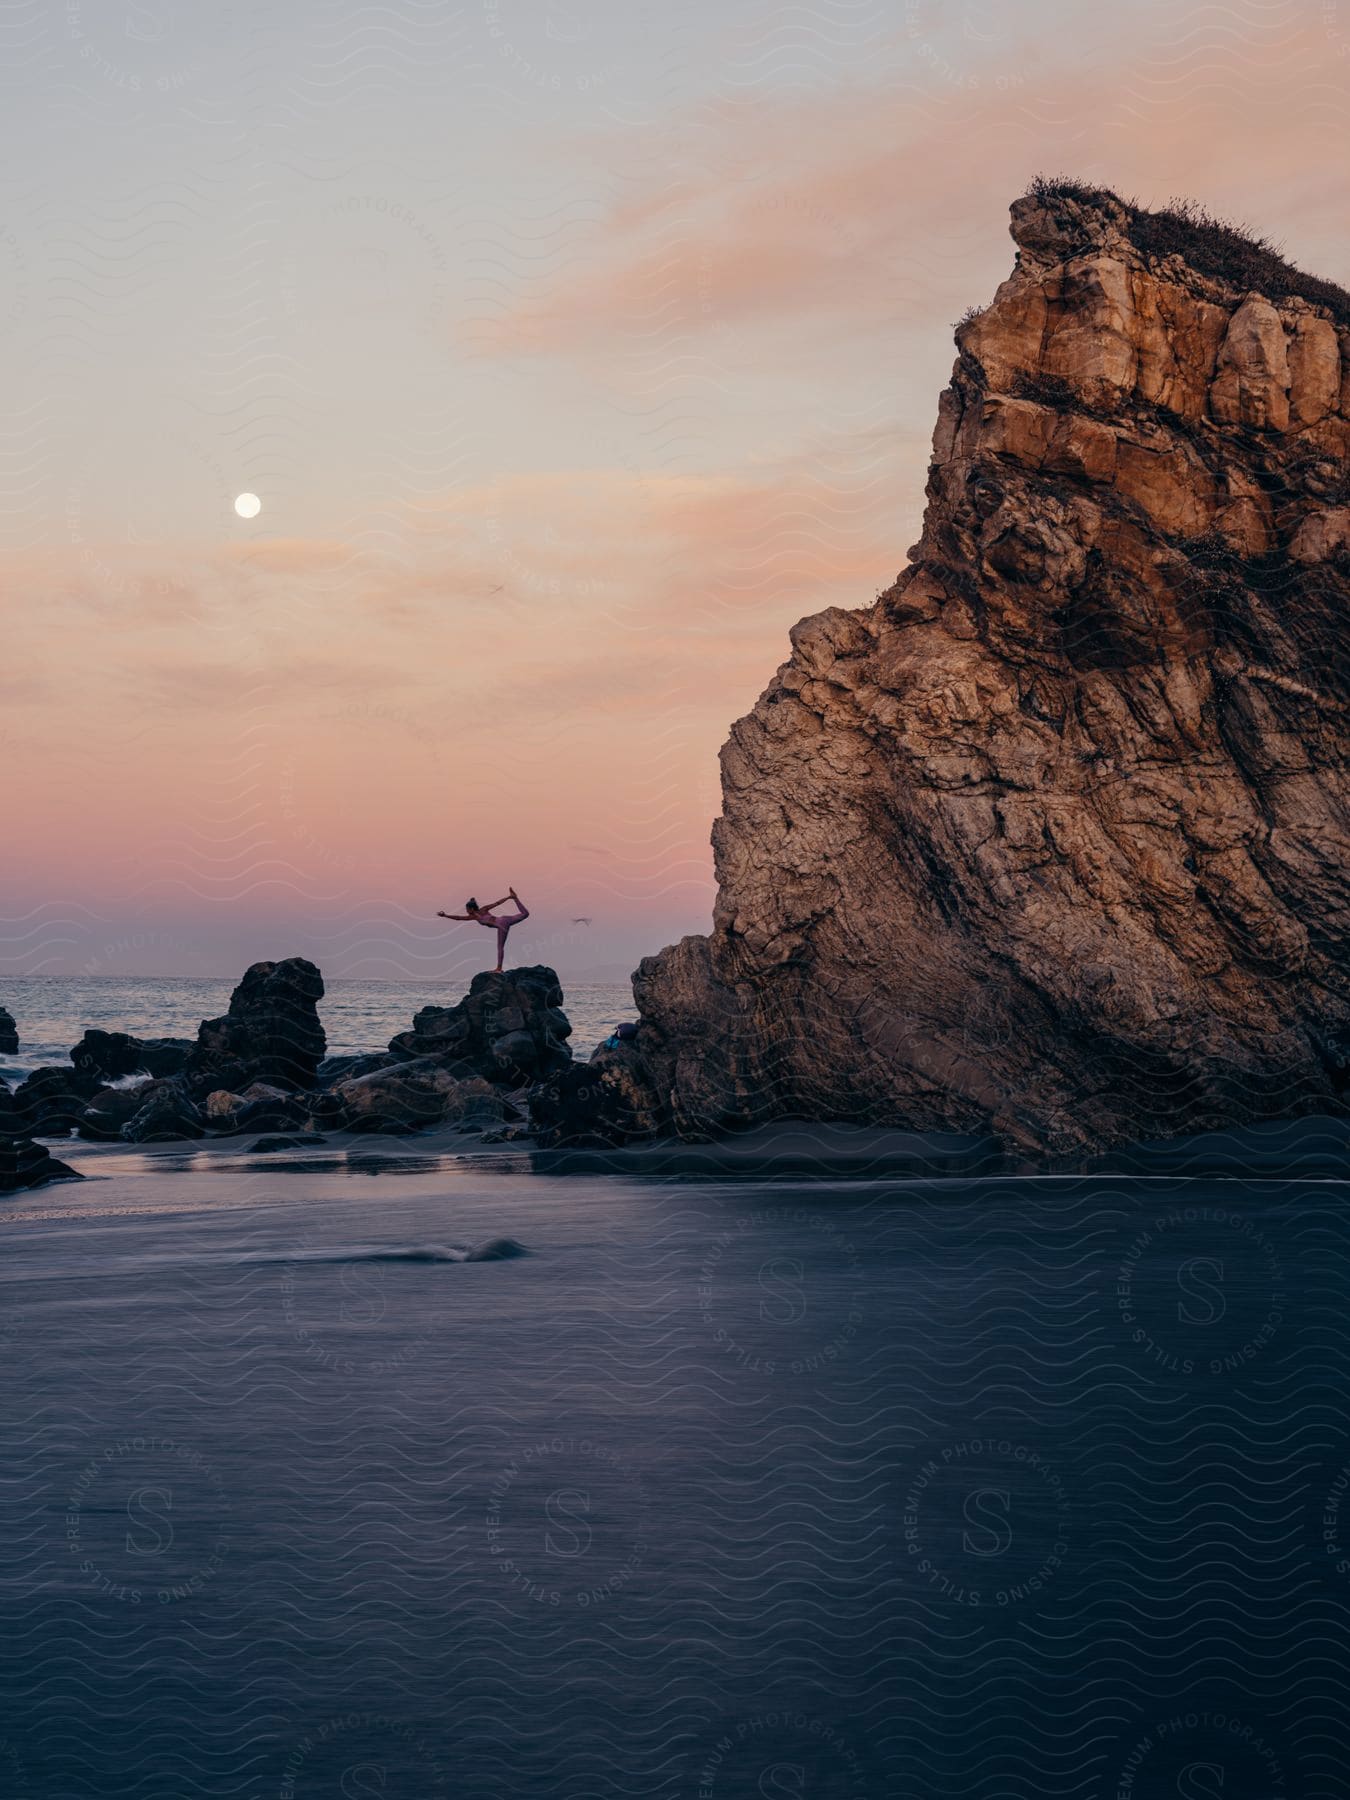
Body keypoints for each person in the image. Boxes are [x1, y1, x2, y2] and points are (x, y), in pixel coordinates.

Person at [437, 888, 530, 973]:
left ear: (471, 909)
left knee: (500, 947)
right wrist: (508, 897)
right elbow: (497, 903)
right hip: (504, 919)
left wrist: (445, 915)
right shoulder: (480, 912)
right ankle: (514, 898)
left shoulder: (475, 915)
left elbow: (459, 918)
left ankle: (499, 968)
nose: (466, 911)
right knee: (525, 914)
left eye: (467, 909)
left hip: (502, 925)